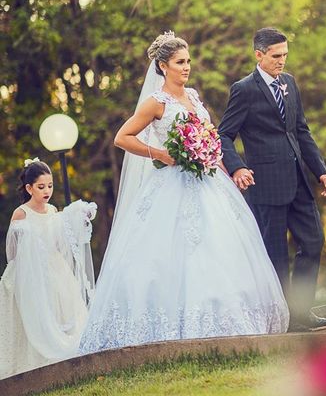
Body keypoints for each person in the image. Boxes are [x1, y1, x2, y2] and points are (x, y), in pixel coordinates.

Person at [79, 32, 289, 354]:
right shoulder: (155, 103)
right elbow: (123, 137)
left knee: (222, 249)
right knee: (173, 255)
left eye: (188, 61)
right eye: (180, 62)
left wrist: (227, 169)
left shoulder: (193, 96)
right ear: (163, 66)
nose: (187, 67)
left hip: (209, 182)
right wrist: (161, 154)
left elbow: (210, 138)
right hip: (171, 186)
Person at [218, 27, 326, 331]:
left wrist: (320, 169)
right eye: (276, 56)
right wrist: (237, 168)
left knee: (313, 241)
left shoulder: (290, 84)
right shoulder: (243, 89)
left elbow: (301, 131)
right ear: (259, 55)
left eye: (285, 55)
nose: (282, 61)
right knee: (276, 255)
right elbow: (224, 135)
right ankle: (282, 319)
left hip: (299, 181)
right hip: (265, 185)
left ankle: (302, 312)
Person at [0, 159, 96, 378]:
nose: (47, 191)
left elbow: (58, 242)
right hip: (30, 272)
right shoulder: (21, 213)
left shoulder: (53, 210)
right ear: (29, 188)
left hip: (55, 269)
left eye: (50, 186)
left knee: (63, 308)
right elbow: (12, 252)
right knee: (36, 313)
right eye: (41, 187)